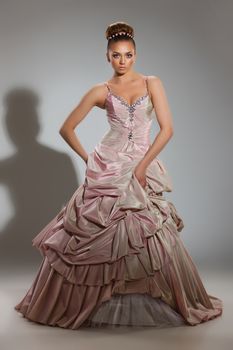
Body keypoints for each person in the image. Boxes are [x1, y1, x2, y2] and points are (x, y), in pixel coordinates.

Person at [14, 21, 223, 329]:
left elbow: (167, 130)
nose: (122, 61)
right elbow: (66, 128)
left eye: (128, 55)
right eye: (116, 55)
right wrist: (90, 160)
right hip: (108, 164)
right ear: (107, 56)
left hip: (140, 161)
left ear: (136, 55)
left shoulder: (153, 83)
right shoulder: (101, 90)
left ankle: (143, 292)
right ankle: (93, 298)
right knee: (97, 231)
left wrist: (141, 166)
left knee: (143, 231)